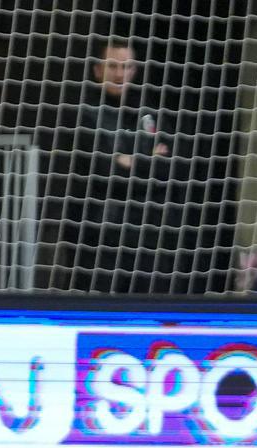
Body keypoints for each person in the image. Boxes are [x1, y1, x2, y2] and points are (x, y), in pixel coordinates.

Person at [56, 36, 184, 293]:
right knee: (96, 305)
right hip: (99, 234)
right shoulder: (83, 115)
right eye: (112, 66)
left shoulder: (150, 114)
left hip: (149, 233)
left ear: (134, 70)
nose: (119, 74)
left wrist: (127, 162)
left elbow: (169, 169)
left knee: (148, 308)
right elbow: (102, 171)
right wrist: (145, 160)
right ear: (97, 70)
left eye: (126, 67)